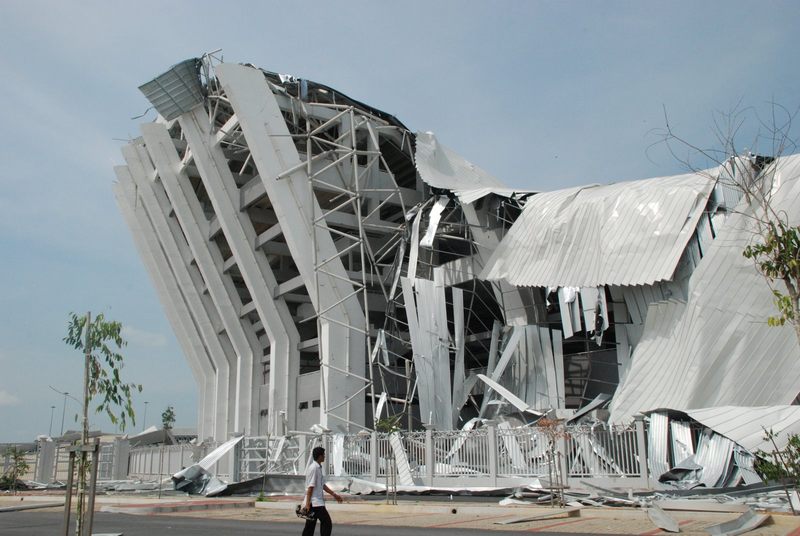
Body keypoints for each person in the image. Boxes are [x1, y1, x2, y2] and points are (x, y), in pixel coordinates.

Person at [301, 446, 342, 536]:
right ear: (319, 456)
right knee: (327, 523)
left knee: (310, 526)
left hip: (315, 502)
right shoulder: (314, 468)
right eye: (323, 455)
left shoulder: (318, 468)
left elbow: (322, 485)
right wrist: (307, 504)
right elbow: (310, 487)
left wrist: (334, 495)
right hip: (315, 503)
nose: (324, 457)